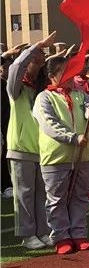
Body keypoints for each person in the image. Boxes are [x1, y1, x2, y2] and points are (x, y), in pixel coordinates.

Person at [33, 55, 89, 254]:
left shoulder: (80, 95)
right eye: (65, 71)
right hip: (56, 157)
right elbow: (49, 125)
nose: (70, 75)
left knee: (80, 196)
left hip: (83, 155)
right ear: (52, 75)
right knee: (57, 198)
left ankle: (79, 233)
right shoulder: (44, 98)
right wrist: (73, 137)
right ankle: (61, 236)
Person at [6, 33, 55, 249]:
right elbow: (16, 66)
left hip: (41, 148)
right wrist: (35, 47)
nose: (37, 62)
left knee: (41, 193)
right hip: (21, 147)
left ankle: (42, 231)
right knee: (24, 193)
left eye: (41, 59)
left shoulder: (41, 89)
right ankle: (27, 235)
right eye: (33, 59)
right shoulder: (15, 89)